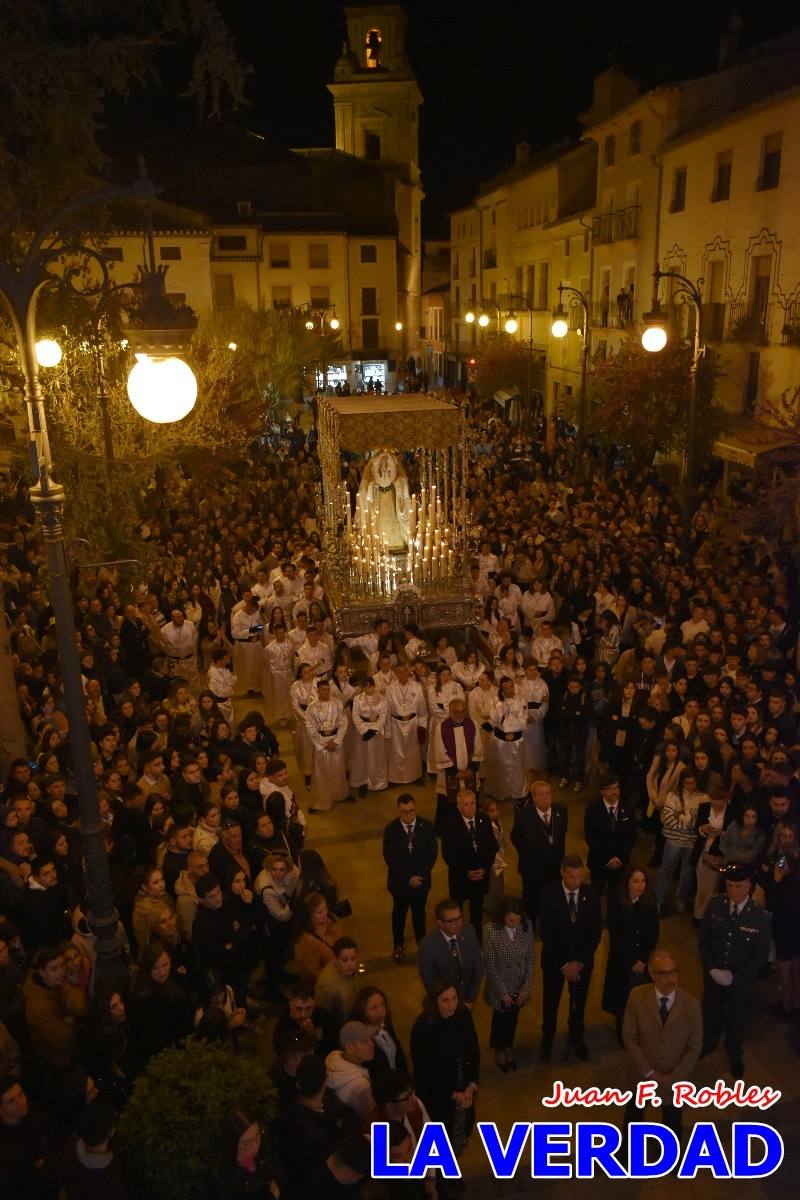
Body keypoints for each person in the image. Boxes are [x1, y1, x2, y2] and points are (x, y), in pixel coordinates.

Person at [698, 863, 772, 1078]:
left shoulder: (760, 917)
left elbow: (760, 955)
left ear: (749, 886)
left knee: (737, 1017)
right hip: (714, 976)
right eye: (730, 885)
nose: (733, 891)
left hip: (741, 981)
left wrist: (736, 977)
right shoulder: (716, 905)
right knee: (711, 1010)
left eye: (738, 886)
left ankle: (734, 1051)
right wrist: (711, 968)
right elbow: (703, 940)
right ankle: (709, 1041)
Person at [622, 948, 703, 1139]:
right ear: (651, 973)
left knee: (672, 1120)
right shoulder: (636, 997)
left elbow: (694, 1046)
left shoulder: (691, 1005)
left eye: (673, 972)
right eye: (663, 973)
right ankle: (627, 1153)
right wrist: (649, 1072)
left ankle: (671, 1157)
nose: (670, 979)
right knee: (634, 1116)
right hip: (642, 1075)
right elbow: (629, 1037)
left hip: (673, 1080)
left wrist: (675, 1076)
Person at [538, 854, 602, 1062]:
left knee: (578, 1003)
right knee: (551, 1002)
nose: (576, 882)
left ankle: (576, 1037)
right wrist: (565, 964)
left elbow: (595, 931)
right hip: (555, 962)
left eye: (580, 877)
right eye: (572, 877)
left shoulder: (591, 894)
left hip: (581, 963)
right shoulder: (549, 894)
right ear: (562, 872)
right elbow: (546, 933)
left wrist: (579, 962)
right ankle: (547, 1039)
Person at [410, 981, 479, 1159]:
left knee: (462, 1131)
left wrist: (471, 1085)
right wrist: (453, 1094)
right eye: (445, 1000)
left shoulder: (463, 1015)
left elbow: (473, 1052)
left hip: (464, 1087)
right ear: (435, 1001)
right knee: (439, 1137)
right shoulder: (424, 1027)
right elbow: (424, 1071)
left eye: (454, 998)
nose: (451, 1005)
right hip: (438, 1097)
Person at [602, 865, 660, 1040]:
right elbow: (616, 933)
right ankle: (622, 1027)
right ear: (627, 883)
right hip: (621, 958)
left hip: (641, 958)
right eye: (635, 881)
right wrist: (630, 961)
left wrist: (643, 959)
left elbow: (653, 931)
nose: (640, 885)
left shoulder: (649, 900)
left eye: (643, 881)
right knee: (621, 996)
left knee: (639, 996)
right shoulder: (616, 900)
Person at [382, 794, 438, 963]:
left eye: (412, 811)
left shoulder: (426, 827)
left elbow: (432, 854)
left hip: (421, 883)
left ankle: (422, 941)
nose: (409, 815)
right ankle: (398, 944)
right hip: (400, 884)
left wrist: (419, 876)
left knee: (419, 914)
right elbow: (390, 858)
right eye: (405, 812)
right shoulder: (391, 830)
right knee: (399, 914)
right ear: (399, 812)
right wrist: (408, 878)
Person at [483, 895, 534, 1071]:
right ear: (502, 916)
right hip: (501, 986)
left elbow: (530, 960)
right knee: (500, 1020)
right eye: (510, 920)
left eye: (517, 920)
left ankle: (509, 1045)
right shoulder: (491, 930)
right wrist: (502, 992)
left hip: (519, 985)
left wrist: (525, 988)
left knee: (513, 1018)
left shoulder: (526, 926)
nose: (514, 924)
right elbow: (490, 965)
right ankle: (500, 1049)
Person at [439, 789, 497, 940]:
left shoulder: (484, 820)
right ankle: (457, 936)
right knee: (457, 910)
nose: (471, 808)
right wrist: (466, 872)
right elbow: (448, 855)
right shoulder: (450, 826)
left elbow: (491, 847)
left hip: (480, 876)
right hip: (461, 878)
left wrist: (484, 868)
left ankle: (476, 937)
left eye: (473, 803)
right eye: (466, 805)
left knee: (477, 909)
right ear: (458, 806)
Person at [757, 820, 800, 1016]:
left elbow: (775, 880)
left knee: (785, 960)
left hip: (784, 915)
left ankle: (786, 1005)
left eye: (790, 836)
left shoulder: (781, 858)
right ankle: (795, 1001)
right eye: (784, 836)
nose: (787, 840)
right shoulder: (795, 856)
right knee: (795, 959)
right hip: (794, 913)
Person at [510, 778, 567, 924]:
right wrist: (528, 854)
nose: (546, 797)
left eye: (548, 793)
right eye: (541, 794)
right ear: (533, 797)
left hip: (554, 868)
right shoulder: (524, 816)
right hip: (533, 868)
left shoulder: (561, 811)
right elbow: (516, 838)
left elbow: (561, 837)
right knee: (532, 903)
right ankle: (531, 929)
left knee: (553, 901)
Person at [417, 898, 484, 1006]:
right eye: (451, 921)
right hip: (445, 1003)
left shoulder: (469, 930)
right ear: (440, 922)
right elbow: (429, 981)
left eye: (459, 918)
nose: (458, 924)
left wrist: (470, 998)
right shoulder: (427, 945)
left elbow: (478, 966)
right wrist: (449, 1002)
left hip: (467, 999)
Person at [432, 698, 482, 833]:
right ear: (450, 711)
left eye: (462, 712)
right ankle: (448, 830)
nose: (460, 715)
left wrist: (471, 769)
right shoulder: (441, 727)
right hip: (451, 775)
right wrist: (455, 772)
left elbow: (478, 748)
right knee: (448, 802)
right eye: (456, 712)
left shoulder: (472, 724)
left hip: (469, 772)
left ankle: (472, 824)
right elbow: (440, 750)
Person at [583, 776, 636, 900]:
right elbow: (590, 837)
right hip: (599, 861)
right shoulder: (592, 809)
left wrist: (620, 858)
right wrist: (607, 859)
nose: (615, 792)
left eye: (616, 787)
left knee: (617, 895)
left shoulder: (628, 807)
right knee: (595, 894)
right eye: (610, 789)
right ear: (602, 791)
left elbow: (631, 836)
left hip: (620, 863)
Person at [216, 1104, 282, 1199]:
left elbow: (281, 1177)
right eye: (246, 1143)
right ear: (233, 1143)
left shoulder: (265, 1150)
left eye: (257, 1137)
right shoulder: (224, 1175)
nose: (254, 1147)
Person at [306, 679, 349, 812]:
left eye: (328, 689)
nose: (326, 692)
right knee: (321, 772)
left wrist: (336, 741)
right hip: (321, 743)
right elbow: (310, 728)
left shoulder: (337, 704)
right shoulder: (312, 707)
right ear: (318, 691)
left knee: (337, 769)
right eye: (323, 690)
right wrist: (324, 744)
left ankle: (339, 795)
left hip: (336, 741)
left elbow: (343, 722)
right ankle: (322, 800)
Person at [483, 676, 527, 802]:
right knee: (500, 766)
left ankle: (517, 793)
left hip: (515, 740)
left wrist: (508, 727)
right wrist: (501, 706)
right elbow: (494, 719)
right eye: (506, 688)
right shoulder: (495, 701)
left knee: (516, 768)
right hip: (500, 740)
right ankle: (499, 792)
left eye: (511, 686)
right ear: (501, 689)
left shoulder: (521, 700)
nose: (509, 690)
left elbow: (522, 721)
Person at [349, 986, 407, 1078]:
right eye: (373, 1008)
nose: (380, 1011)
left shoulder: (386, 1023)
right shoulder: (361, 1036)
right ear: (362, 1011)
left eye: (382, 1005)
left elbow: (398, 1054)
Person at [384, 664, 427, 787]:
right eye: (399, 672)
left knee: (413, 752)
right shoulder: (390, 689)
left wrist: (422, 726)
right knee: (396, 752)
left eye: (404, 672)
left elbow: (422, 709)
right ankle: (395, 779)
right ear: (396, 674)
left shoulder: (417, 687)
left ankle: (415, 777)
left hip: (413, 722)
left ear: (408, 672)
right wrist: (388, 731)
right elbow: (387, 711)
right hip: (396, 723)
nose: (402, 675)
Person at [324, 1021, 376, 1123]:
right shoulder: (362, 1087)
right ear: (349, 1048)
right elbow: (372, 1122)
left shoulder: (333, 1058)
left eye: (370, 1039)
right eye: (364, 1042)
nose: (372, 1044)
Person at [349, 678, 389, 795]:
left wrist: (374, 730)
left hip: (376, 732)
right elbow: (355, 716)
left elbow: (383, 716)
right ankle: (363, 781)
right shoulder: (357, 699)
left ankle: (377, 781)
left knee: (376, 757)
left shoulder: (382, 699)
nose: (368, 689)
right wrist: (364, 730)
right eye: (365, 687)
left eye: (370, 686)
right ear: (362, 687)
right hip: (362, 732)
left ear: (374, 686)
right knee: (362, 757)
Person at [314, 938, 361, 1028]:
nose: (350, 964)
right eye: (344, 960)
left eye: (353, 959)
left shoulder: (348, 970)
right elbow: (322, 1017)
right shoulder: (328, 989)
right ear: (335, 959)